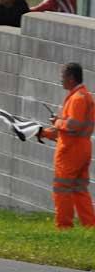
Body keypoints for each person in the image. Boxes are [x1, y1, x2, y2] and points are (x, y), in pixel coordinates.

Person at [40, 62, 95, 229]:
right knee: (79, 189)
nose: (60, 81)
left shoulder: (78, 98)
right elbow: (69, 129)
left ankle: (64, 227)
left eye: (62, 77)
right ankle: (90, 227)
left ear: (71, 78)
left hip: (71, 152)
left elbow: (72, 126)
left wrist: (57, 121)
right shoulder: (82, 96)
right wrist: (42, 132)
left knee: (62, 188)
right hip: (80, 149)